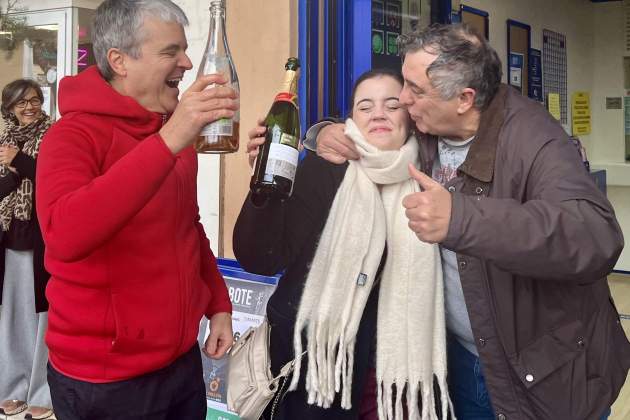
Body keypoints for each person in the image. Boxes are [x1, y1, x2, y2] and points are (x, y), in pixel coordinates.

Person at [310, 23, 630, 420]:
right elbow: (370, 134)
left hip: (546, 374)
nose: (403, 100)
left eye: (416, 91)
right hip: (458, 360)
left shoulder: (536, 140)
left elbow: (595, 234)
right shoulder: (427, 125)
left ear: (464, 98)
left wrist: (461, 218)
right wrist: (322, 132)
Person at [34, 1, 236, 419]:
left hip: (180, 363)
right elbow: (65, 235)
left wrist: (218, 305)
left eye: (184, 49)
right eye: (170, 52)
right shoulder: (70, 136)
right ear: (119, 61)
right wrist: (168, 142)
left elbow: (189, 227)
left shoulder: (169, 132)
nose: (186, 62)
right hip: (105, 380)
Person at [235, 68, 453, 420]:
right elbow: (261, 258)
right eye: (365, 107)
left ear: (410, 117)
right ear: (351, 119)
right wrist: (265, 187)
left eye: (391, 104)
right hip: (314, 371)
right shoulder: (325, 169)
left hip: (395, 377)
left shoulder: (433, 176)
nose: (378, 113)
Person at [0, 79, 53, 419]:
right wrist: (14, 167)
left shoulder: (54, 135)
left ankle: (43, 392)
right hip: (11, 240)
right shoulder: (5, 140)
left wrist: (19, 161)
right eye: (21, 103)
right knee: (13, 319)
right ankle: (13, 389)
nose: (29, 107)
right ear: (9, 109)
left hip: (43, 239)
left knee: (43, 319)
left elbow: (54, 179)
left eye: (34, 100)